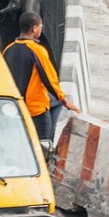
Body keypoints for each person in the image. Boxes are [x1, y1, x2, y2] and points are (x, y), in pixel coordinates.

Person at [4, 10, 72, 145]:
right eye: (40, 27)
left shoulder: (8, 49)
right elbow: (50, 80)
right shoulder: (38, 50)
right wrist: (64, 100)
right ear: (34, 29)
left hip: (14, 105)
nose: (41, 29)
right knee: (45, 142)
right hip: (35, 108)